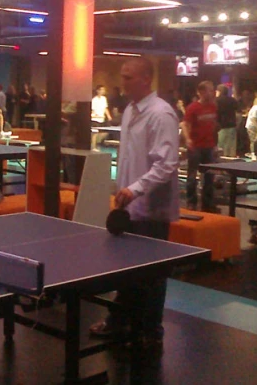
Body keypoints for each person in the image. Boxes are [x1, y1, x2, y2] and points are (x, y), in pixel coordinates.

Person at [89, 57, 180, 351]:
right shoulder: (129, 111)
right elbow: (129, 158)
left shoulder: (161, 114)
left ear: (145, 79)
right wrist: (122, 191)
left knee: (152, 275)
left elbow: (166, 166)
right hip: (129, 207)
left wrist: (135, 189)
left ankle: (152, 330)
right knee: (127, 269)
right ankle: (121, 321)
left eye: (128, 77)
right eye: (122, 76)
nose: (123, 82)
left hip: (152, 208)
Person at [182, 81, 218, 211]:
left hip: (209, 146)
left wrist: (214, 143)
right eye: (210, 90)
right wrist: (188, 139)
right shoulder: (193, 108)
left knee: (209, 176)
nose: (212, 92)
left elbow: (213, 125)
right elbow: (184, 124)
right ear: (202, 92)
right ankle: (191, 202)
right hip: (196, 146)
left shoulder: (213, 107)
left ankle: (207, 203)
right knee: (192, 176)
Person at [216, 85, 239, 158]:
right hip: (232, 125)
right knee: (231, 148)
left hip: (221, 126)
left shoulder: (217, 100)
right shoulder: (233, 100)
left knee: (221, 148)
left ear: (219, 91)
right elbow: (238, 111)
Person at [91, 85, 112, 150]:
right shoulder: (94, 99)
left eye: (104, 90)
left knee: (105, 132)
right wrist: (94, 115)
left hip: (102, 119)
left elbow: (105, 108)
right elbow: (93, 110)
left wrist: (108, 116)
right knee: (94, 133)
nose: (103, 91)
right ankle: (93, 147)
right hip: (95, 119)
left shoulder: (104, 98)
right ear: (98, 90)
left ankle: (98, 144)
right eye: (102, 89)